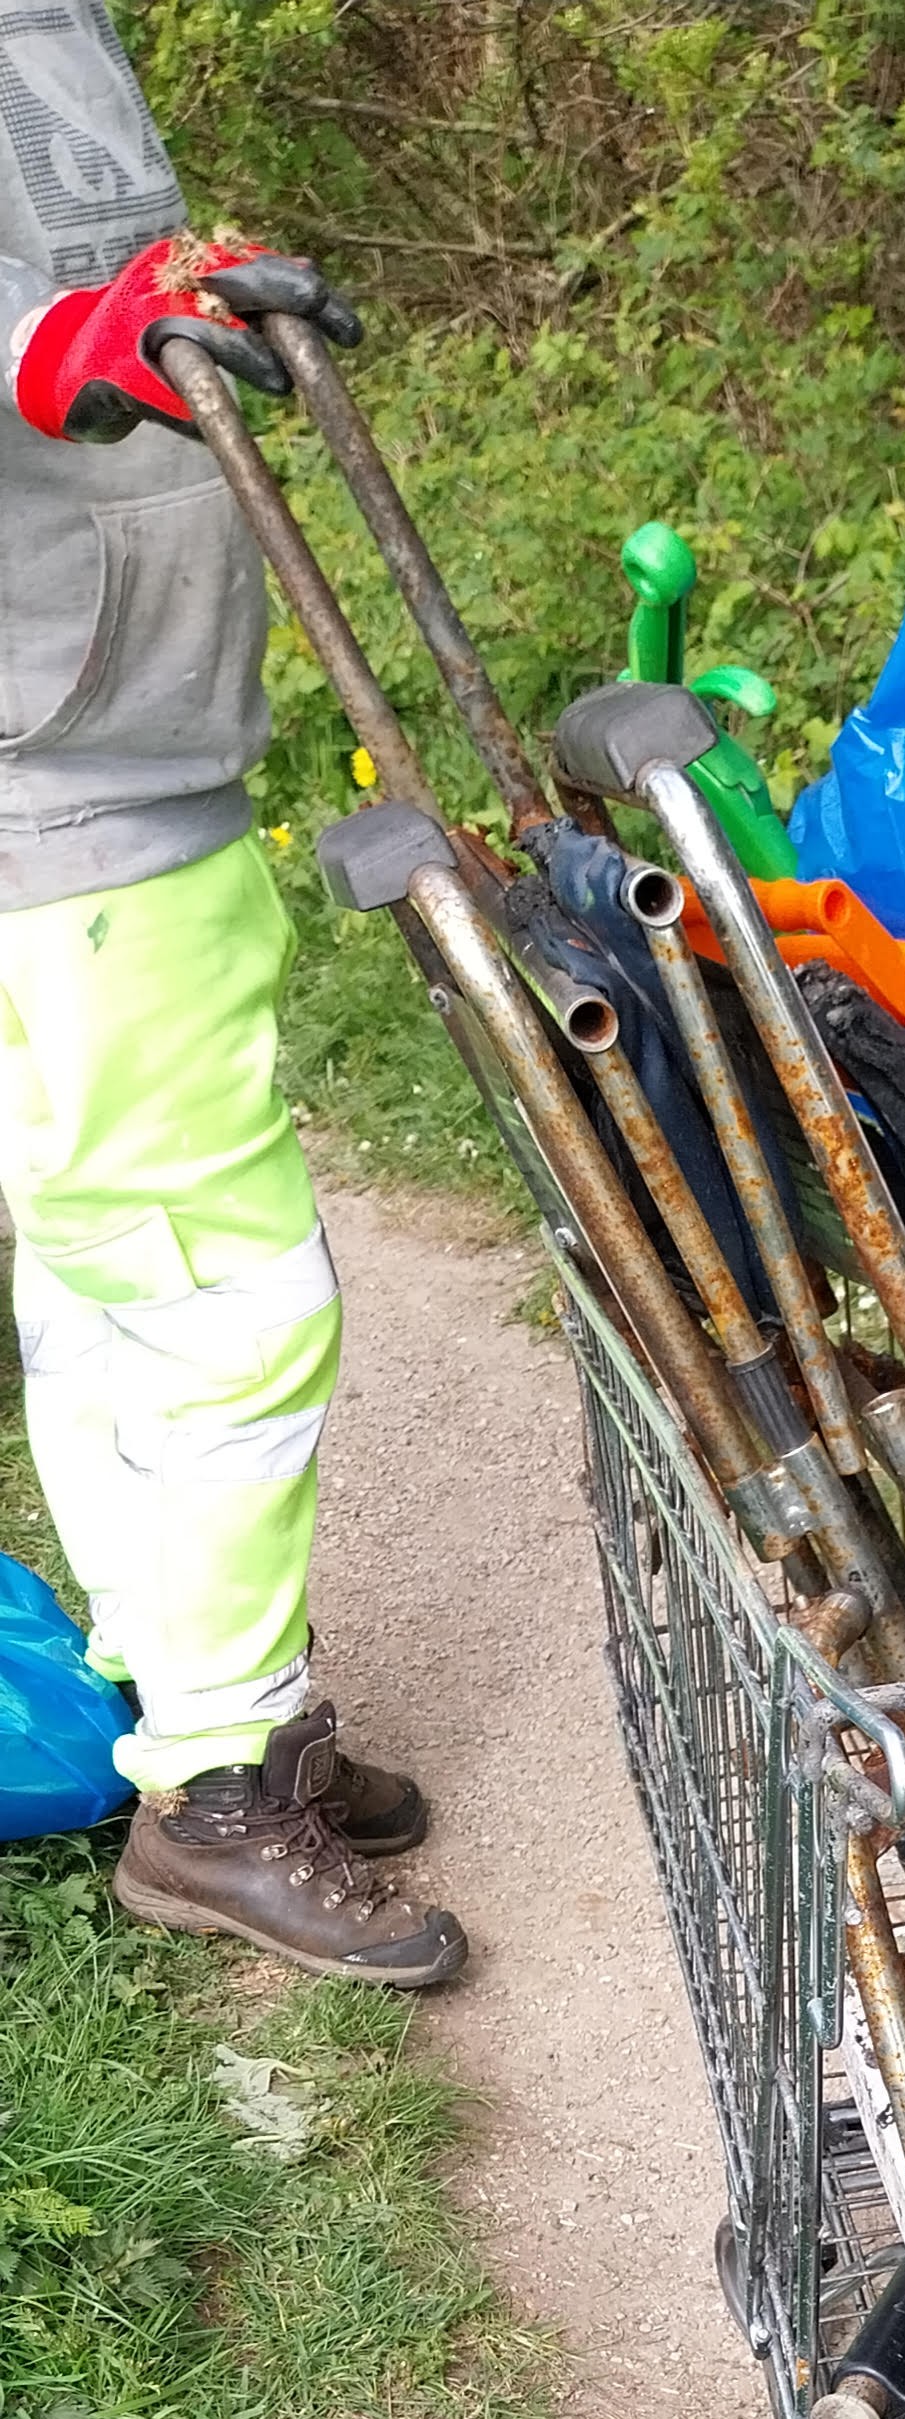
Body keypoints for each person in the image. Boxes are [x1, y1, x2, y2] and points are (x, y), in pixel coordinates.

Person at [0, 2, 463, 1985]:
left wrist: (153, 290)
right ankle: (210, 1790)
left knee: (114, 1274)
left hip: (115, 735)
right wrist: (58, 346)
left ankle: (211, 1702)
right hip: (53, 772)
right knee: (224, 1295)